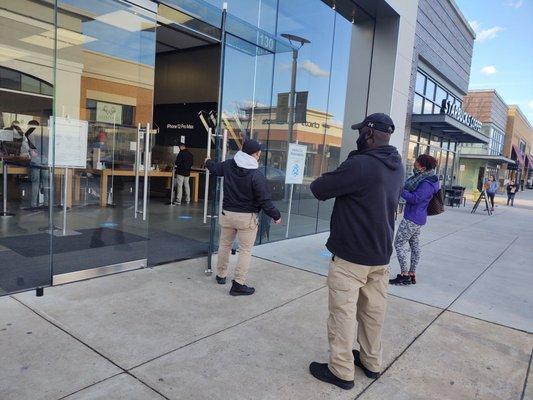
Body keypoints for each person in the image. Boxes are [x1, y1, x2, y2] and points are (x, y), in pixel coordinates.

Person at [308, 113, 404, 390]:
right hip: (380, 257)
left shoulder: (361, 165)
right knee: (373, 314)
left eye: (361, 132)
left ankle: (340, 371)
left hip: (351, 258)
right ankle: (371, 362)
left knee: (343, 314)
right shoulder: (397, 166)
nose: (358, 135)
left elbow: (319, 188)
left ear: (370, 135)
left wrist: (350, 162)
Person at [205, 139, 282, 296]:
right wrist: (276, 215)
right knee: (245, 250)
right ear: (255, 154)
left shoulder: (228, 165)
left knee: (224, 245)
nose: (260, 154)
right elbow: (264, 200)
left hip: (227, 214)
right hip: (246, 218)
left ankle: (221, 275)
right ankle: (238, 284)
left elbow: (214, 168)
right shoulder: (256, 175)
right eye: (259, 152)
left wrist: (207, 161)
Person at [389, 154, 439, 286]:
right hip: (417, 217)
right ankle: (411, 274)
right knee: (414, 245)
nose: (414, 165)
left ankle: (404, 274)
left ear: (423, 167)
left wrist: (401, 190)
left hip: (413, 218)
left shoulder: (427, 183)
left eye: (416, 163)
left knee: (399, 244)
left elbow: (416, 199)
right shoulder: (422, 179)